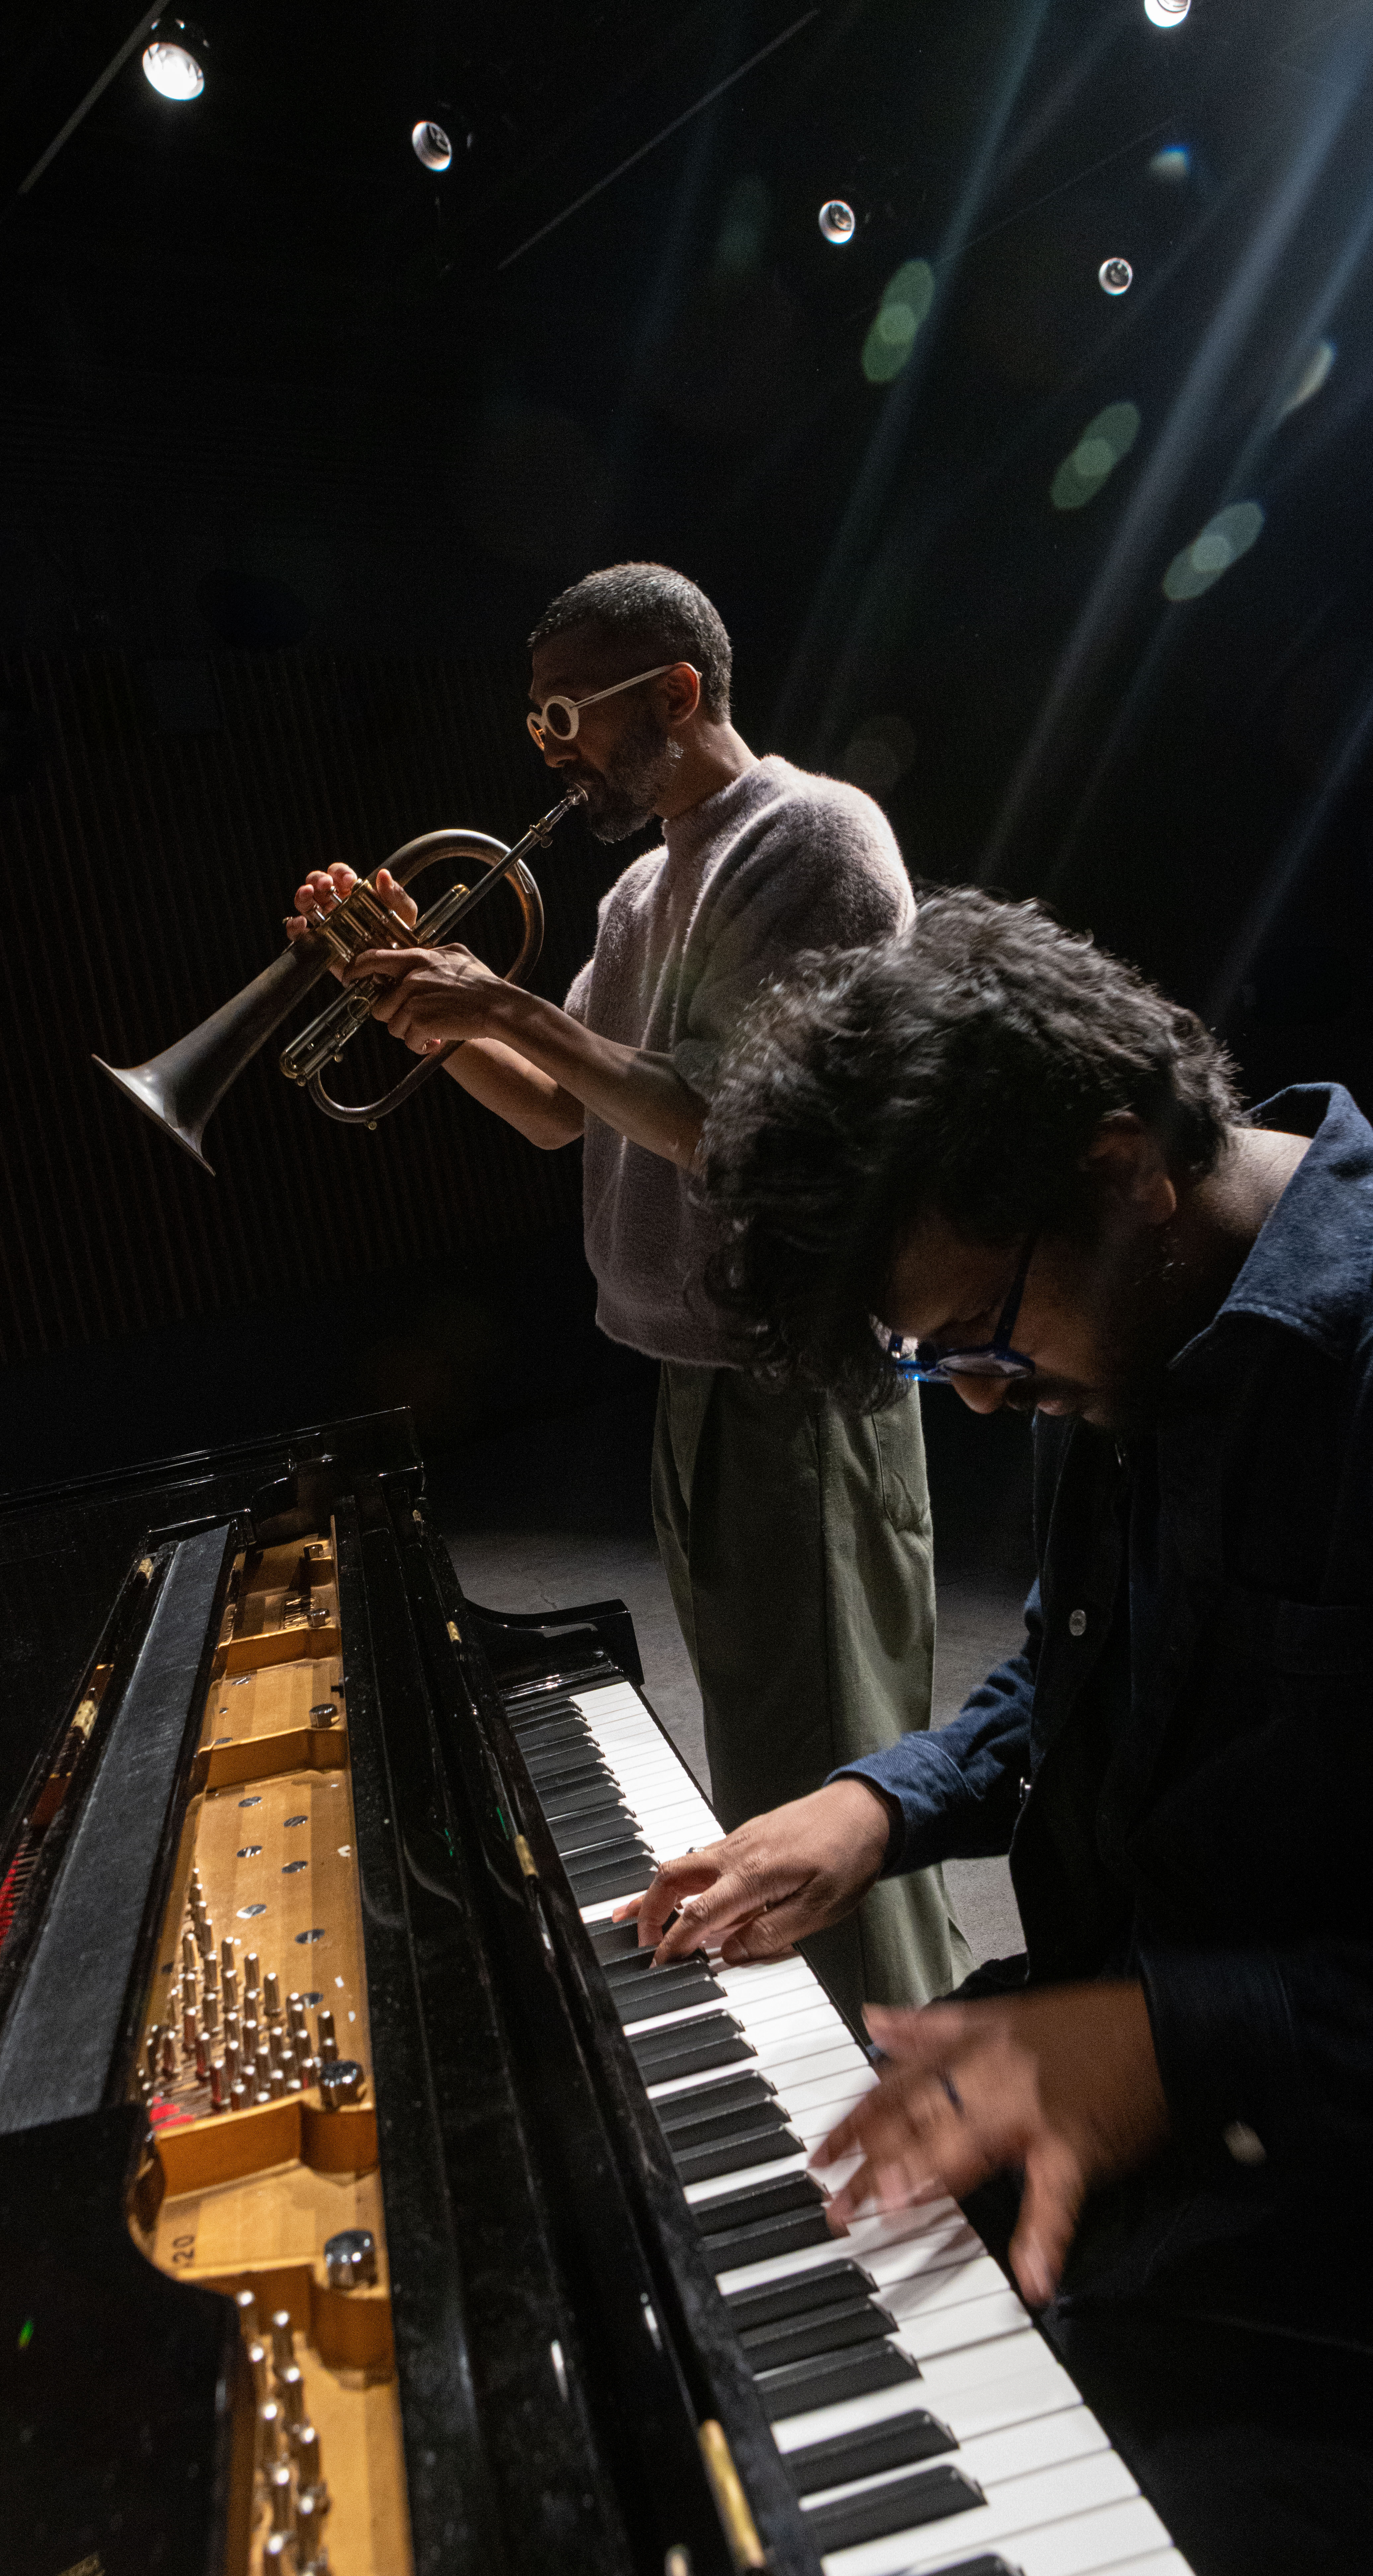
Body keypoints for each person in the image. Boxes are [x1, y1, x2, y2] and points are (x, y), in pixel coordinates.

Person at [625, 886, 1373, 2576]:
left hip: (1325, 2244)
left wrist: (1178, 2039)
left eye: (975, 1343)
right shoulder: (1133, 1321)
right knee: (685, 2311)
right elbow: (1084, 1665)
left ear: (1120, 1170)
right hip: (1150, 2119)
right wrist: (884, 1804)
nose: (974, 1397)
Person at [286, 561, 965, 2020]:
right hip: (697, 1387)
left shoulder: (811, 838)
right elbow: (554, 1105)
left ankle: (910, 2089)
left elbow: (745, 1125)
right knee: (775, 1768)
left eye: (564, 716)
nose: (547, 751)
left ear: (673, 692)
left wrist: (499, 996)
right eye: (535, 724)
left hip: (802, 1388)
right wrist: (409, 1001)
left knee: (830, 1798)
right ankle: (870, 2073)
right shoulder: (646, 884)